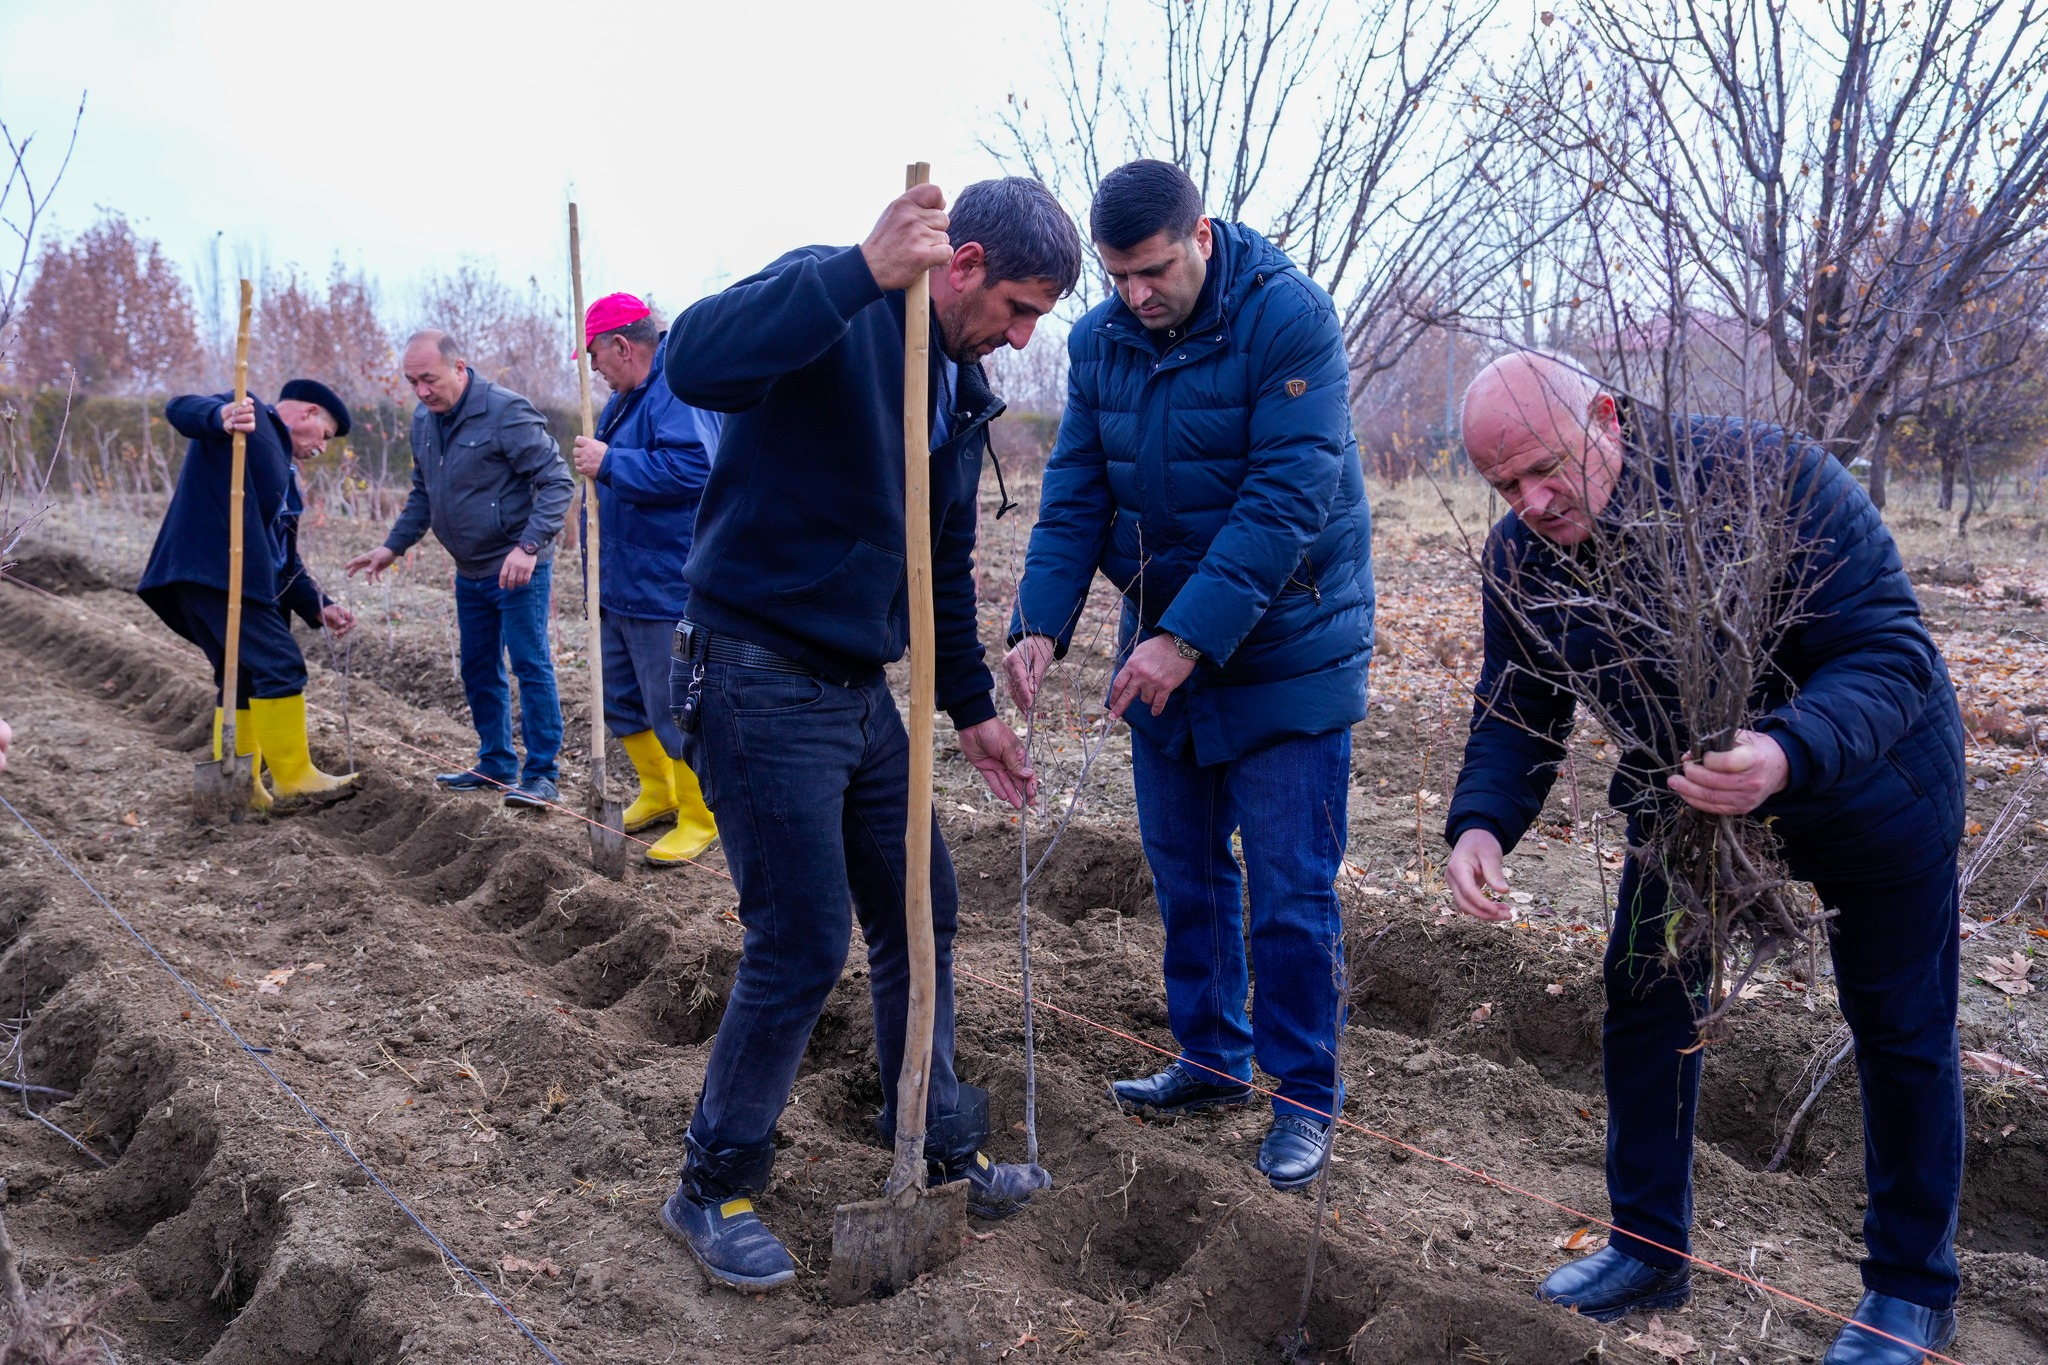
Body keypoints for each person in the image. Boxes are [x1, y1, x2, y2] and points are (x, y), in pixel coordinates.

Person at [1445, 351, 1965, 1365]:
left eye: (1546, 469)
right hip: (1686, 806)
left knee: (1899, 1028)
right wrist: (1477, 825)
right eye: (1502, 486)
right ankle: (1646, 1246)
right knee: (1643, 995)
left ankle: (1910, 1291)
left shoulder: (1768, 479)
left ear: (1607, 415)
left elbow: (1888, 652)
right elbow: (1515, 709)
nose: (1532, 501)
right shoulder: (1520, 559)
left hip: (1872, 785)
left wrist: (1784, 751)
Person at [656, 175, 1084, 1292]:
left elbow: (936, 564)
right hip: (751, 669)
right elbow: (693, 359)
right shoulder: (833, 300)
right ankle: (711, 1184)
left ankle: (935, 1145)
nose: (1022, 335)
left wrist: (974, 712)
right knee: (800, 940)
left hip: (855, 689)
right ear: (967, 262)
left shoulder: (958, 386)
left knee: (920, 912)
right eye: (1020, 307)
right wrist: (857, 271)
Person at [1003, 159, 1374, 1193]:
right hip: (1165, 643)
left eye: (1152, 271)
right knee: (1183, 869)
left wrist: (1184, 639)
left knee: (1290, 894)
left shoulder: (1288, 320)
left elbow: (1285, 500)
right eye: (1116, 277)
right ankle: (1210, 1060)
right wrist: (1040, 626)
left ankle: (1303, 1097)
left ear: (1199, 236)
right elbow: (1075, 492)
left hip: (1288, 647)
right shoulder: (1101, 343)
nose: (1135, 295)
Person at [344, 332, 575, 810]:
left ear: (459, 368)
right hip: (469, 570)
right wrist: (391, 548)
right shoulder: (424, 422)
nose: (422, 391)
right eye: (413, 383)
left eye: (429, 379)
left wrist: (529, 546)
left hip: (516, 569)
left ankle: (542, 776)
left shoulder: (506, 412)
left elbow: (557, 482)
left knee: (530, 666)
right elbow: (423, 494)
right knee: (477, 666)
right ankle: (495, 762)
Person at [139, 380, 360, 807]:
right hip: (216, 572)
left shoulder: (285, 472)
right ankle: (295, 779)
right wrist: (218, 417)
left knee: (239, 675)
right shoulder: (249, 415)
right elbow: (180, 405)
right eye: (326, 437)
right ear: (309, 414)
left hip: (225, 579)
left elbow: (284, 557)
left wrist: (321, 606)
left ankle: (238, 791)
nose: (323, 449)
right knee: (280, 665)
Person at [569, 292, 721, 866]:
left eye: (595, 355)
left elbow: (695, 467)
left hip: (662, 581)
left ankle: (699, 814)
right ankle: (656, 790)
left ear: (621, 346)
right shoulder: (623, 400)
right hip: (616, 579)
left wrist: (610, 462)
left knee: (672, 702)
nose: (594, 368)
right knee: (623, 699)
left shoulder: (676, 389)